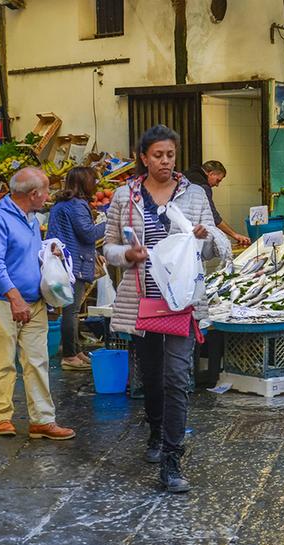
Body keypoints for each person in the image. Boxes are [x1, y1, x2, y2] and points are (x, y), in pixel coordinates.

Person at [103, 125, 231, 493]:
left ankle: (173, 460)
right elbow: (108, 246)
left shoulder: (194, 194)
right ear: (143, 157)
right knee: (152, 374)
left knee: (177, 376)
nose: (164, 161)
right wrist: (126, 254)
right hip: (143, 299)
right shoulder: (124, 196)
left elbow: (212, 248)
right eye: (157, 155)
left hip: (182, 301)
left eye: (170, 155)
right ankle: (156, 431)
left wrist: (206, 241)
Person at [0, 166, 76, 441]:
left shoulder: (32, 219)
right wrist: (14, 297)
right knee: (2, 362)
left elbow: (27, 256)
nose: (48, 196)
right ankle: (2, 417)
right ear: (33, 194)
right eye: (46, 191)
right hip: (2, 302)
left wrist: (49, 252)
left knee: (37, 361)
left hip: (34, 303)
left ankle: (42, 421)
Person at [46, 166, 106, 372]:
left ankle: (76, 351)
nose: (96, 185)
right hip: (74, 264)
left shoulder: (60, 204)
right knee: (72, 311)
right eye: (93, 181)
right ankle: (70, 356)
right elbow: (88, 235)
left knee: (71, 309)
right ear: (84, 183)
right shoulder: (77, 205)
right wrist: (108, 222)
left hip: (63, 262)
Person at [182, 160, 251, 246]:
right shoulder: (202, 187)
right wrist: (235, 235)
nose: (217, 185)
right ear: (211, 174)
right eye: (218, 180)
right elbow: (213, 216)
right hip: (188, 235)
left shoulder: (184, 177)